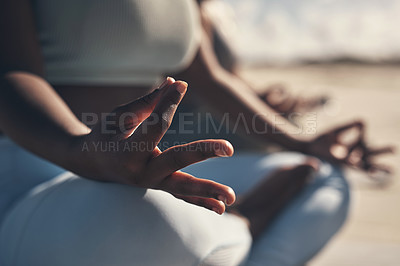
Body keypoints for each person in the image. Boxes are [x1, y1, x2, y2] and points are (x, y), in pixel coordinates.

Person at [0, 0, 392, 265]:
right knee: (147, 218)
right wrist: (81, 150)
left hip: (138, 166)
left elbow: (211, 79)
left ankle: (221, 242)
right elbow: (13, 72)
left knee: (321, 179)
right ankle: (241, 226)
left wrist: (300, 140)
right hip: (39, 165)